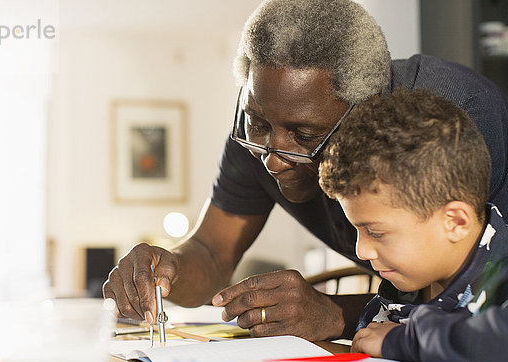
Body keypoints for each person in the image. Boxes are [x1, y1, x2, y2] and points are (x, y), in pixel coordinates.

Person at [103, 0, 508, 342]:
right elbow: (211, 252)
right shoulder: (259, 135)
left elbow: (464, 295)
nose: (273, 159)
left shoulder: (450, 124)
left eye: (305, 134)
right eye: (258, 122)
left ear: (365, 112)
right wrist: (164, 267)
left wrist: (333, 313)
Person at [319, 88, 508, 362]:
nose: (361, 251)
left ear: (455, 222)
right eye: (357, 230)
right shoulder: (405, 282)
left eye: (376, 232)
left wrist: (404, 341)